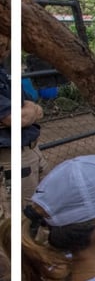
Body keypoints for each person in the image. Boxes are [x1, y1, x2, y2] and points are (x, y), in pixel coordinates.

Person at [0, 63, 48, 217]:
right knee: (20, 214)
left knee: (42, 203)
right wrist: (25, 114)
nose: (4, 49)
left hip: (31, 148)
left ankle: (33, 238)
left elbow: (37, 109)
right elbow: (15, 119)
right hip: (11, 156)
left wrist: (27, 113)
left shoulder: (4, 70)